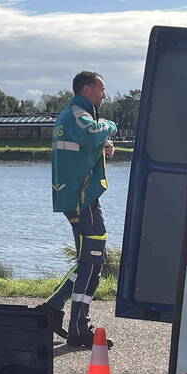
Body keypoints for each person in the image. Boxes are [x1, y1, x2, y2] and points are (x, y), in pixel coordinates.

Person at [42, 71, 117, 348]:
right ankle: (77, 327)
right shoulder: (77, 114)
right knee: (94, 258)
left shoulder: (76, 114)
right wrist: (110, 126)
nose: (104, 95)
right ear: (87, 89)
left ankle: (54, 308)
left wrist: (103, 148)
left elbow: (84, 144)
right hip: (80, 199)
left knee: (89, 259)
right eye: (101, 89)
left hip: (80, 197)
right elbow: (90, 132)